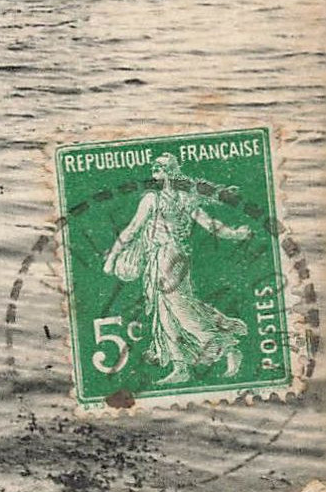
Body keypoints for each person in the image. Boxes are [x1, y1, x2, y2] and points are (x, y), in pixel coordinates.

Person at [102, 154, 252, 383]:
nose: (155, 170)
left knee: (181, 309)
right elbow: (134, 230)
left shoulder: (158, 199)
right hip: (162, 258)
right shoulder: (169, 198)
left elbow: (133, 229)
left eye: (160, 167)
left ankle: (228, 348)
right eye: (154, 167)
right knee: (165, 313)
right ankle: (180, 367)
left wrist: (112, 259)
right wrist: (235, 233)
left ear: (172, 173)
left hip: (168, 256)